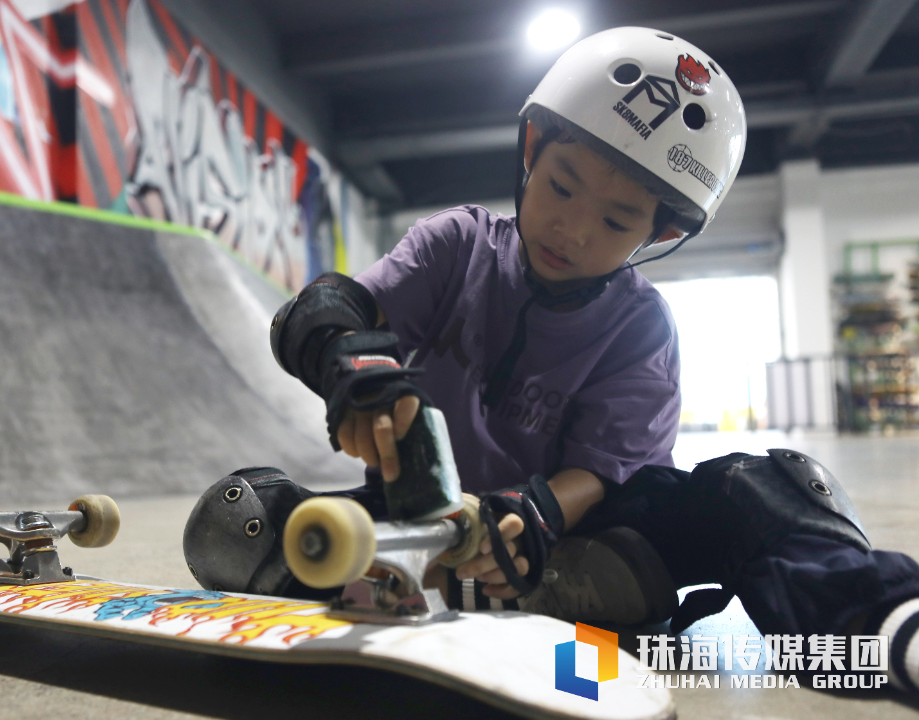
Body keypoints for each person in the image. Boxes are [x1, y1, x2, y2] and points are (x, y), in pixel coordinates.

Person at [184, 27, 919, 693]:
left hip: (573, 531)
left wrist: (534, 514)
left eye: (616, 219)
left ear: (658, 232)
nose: (571, 227)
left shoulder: (641, 328)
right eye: (561, 186)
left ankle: (882, 624)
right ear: (531, 151)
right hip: (423, 513)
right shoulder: (460, 245)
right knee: (237, 519)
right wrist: (353, 366)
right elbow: (323, 311)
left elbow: (602, 473)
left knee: (770, 489)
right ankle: (479, 581)